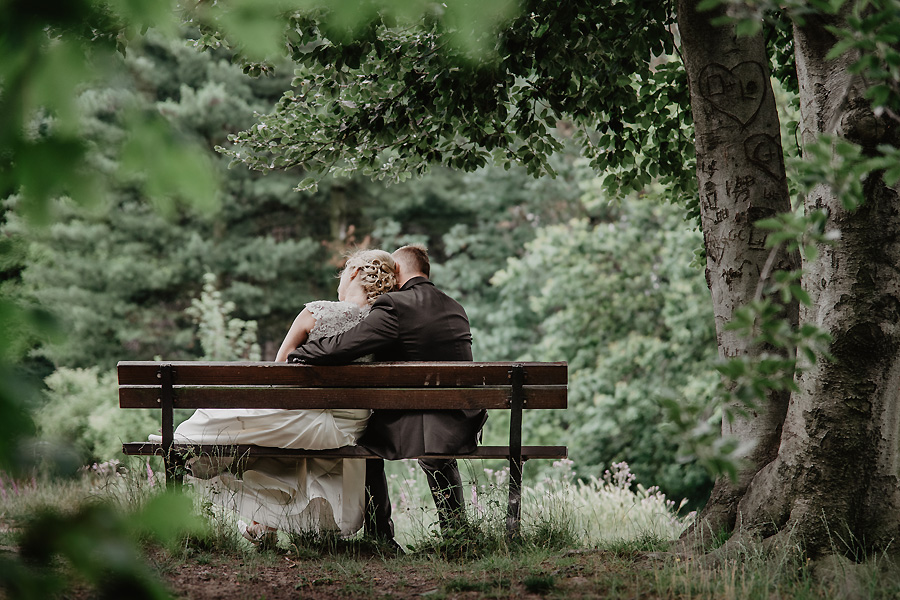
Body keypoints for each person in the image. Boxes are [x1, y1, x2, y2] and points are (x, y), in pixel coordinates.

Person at [152, 249, 398, 544]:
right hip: (347, 430)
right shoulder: (383, 325)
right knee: (281, 448)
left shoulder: (315, 312)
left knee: (216, 424)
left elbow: (277, 372)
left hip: (307, 421)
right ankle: (264, 525)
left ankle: (255, 518)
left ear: (355, 273)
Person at [288, 245, 487, 546]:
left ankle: (381, 536)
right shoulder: (454, 306)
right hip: (462, 419)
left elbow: (345, 346)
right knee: (434, 454)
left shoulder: (396, 305)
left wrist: (301, 353)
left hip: (423, 421)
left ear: (397, 270)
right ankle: (456, 533)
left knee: (365, 441)